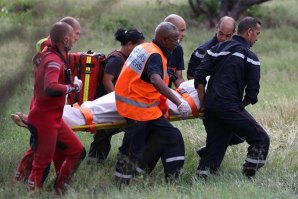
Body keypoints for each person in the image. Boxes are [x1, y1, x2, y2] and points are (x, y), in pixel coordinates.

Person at [114, 21, 191, 184]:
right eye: (174, 40)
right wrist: (179, 102)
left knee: (172, 136)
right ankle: (121, 184)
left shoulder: (145, 48)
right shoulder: (155, 54)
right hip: (136, 109)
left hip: (148, 109)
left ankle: (173, 179)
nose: (177, 43)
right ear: (163, 39)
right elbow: (155, 79)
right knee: (131, 149)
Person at [194, 16, 270, 179]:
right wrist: (239, 107)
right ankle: (248, 176)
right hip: (229, 106)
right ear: (249, 32)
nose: (257, 38)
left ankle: (201, 179)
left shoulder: (216, 49)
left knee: (216, 147)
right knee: (261, 139)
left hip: (211, 105)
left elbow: (199, 75)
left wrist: (203, 103)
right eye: (257, 34)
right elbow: (252, 93)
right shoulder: (250, 57)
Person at [13, 17, 82, 185]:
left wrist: (68, 81)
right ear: (65, 38)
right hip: (45, 118)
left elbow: (38, 63)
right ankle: (30, 190)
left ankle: (59, 189)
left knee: (77, 150)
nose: (76, 38)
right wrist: (71, 87)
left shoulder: (55, 52)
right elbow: (50, 86)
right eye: (75, 34)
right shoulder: (53, 58)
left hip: (52, 116)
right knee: (41, 163)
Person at [87, 28, 145, 163]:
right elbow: (107, 80)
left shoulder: (127, 58)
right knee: (103, 134)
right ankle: (93, 162)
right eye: (139, 46)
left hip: (118, 102)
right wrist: (116, 100)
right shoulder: (116, 59)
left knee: (106, 134)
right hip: (107, 102)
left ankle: (97, 160)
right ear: (130, 44)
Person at [187, 16, 236, 80]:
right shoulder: (202, 51)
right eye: (221, 34)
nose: (223, 38)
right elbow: (191, 76)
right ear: (217, 27)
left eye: (228, 36)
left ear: (234, 32)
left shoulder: (237, 51)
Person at [164, 14, 186, 88]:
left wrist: (186, 94)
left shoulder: (178, 49)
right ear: (170, 31)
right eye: (181, 30)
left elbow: (178, 78)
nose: (184, 34)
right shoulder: (154, 51)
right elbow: (155, 81)